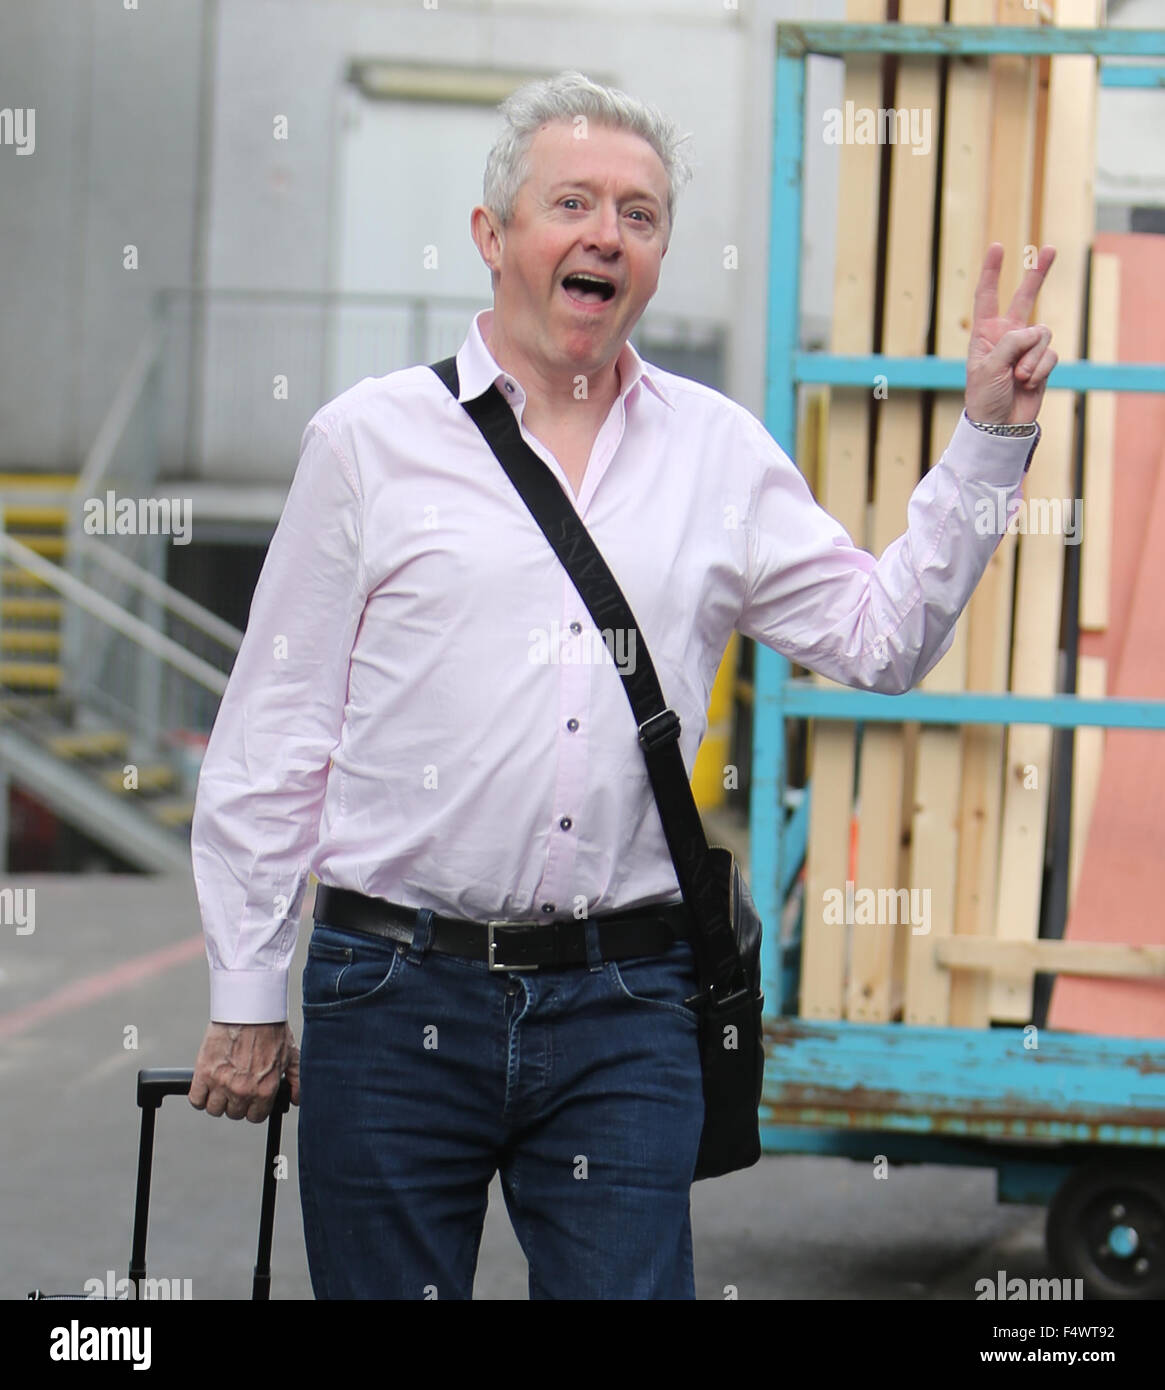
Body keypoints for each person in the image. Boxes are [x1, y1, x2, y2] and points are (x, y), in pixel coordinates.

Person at [188, 69, 1056, 1299]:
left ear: (655, 258)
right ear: (495, 237)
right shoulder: (366, 443)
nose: (607, 233)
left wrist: (986, 437)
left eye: (639, 215)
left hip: (625, 1002)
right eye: (574, 203)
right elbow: (278, 731)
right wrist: (244, 994)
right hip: (392, 988)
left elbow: (879, 636)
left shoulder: (715, 453)